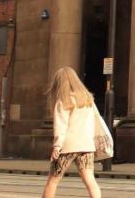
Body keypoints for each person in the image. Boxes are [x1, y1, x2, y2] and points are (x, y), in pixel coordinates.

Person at [42, 67, 102, 198]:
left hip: (68, 146)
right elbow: (95, 121)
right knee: (90, 180)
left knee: (53, 181)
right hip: (86, 145)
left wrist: (57, 146)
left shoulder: (63, 101)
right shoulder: (88, 100)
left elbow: (61, 126)